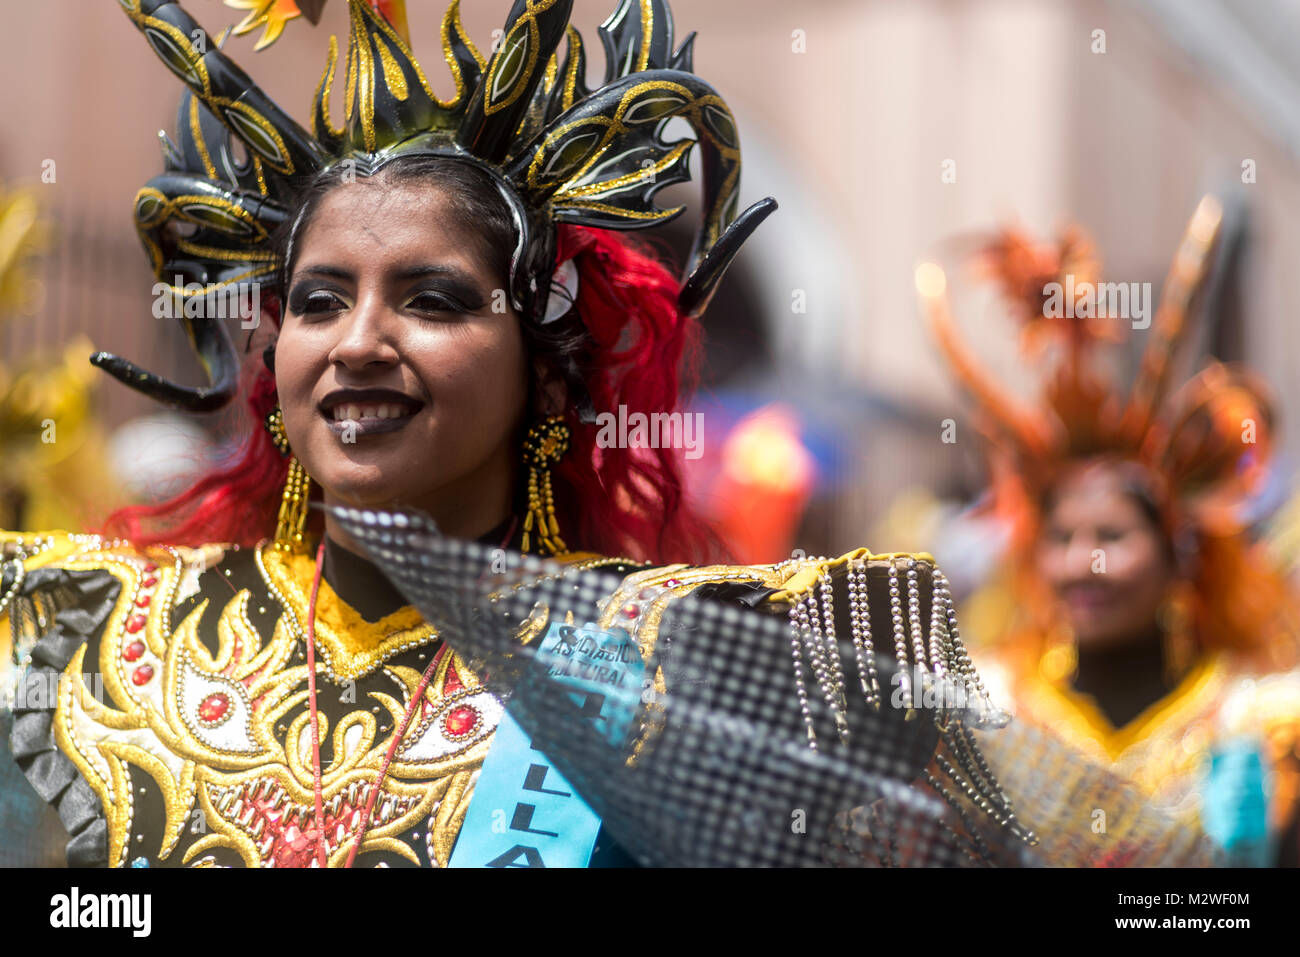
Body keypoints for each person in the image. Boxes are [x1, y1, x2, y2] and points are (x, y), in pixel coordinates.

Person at [1, 0, 1078, 869]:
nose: (359, 342)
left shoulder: (706, 666)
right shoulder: (76, 632)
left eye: (431, 300)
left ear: (548, 367)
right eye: (320, 303)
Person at [918, 198, 1300, 866]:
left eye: (1112, 537)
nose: (1080, 562)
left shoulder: (1259, 723)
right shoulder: (986, 713)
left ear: (1179, 551)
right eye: (1061, 538)